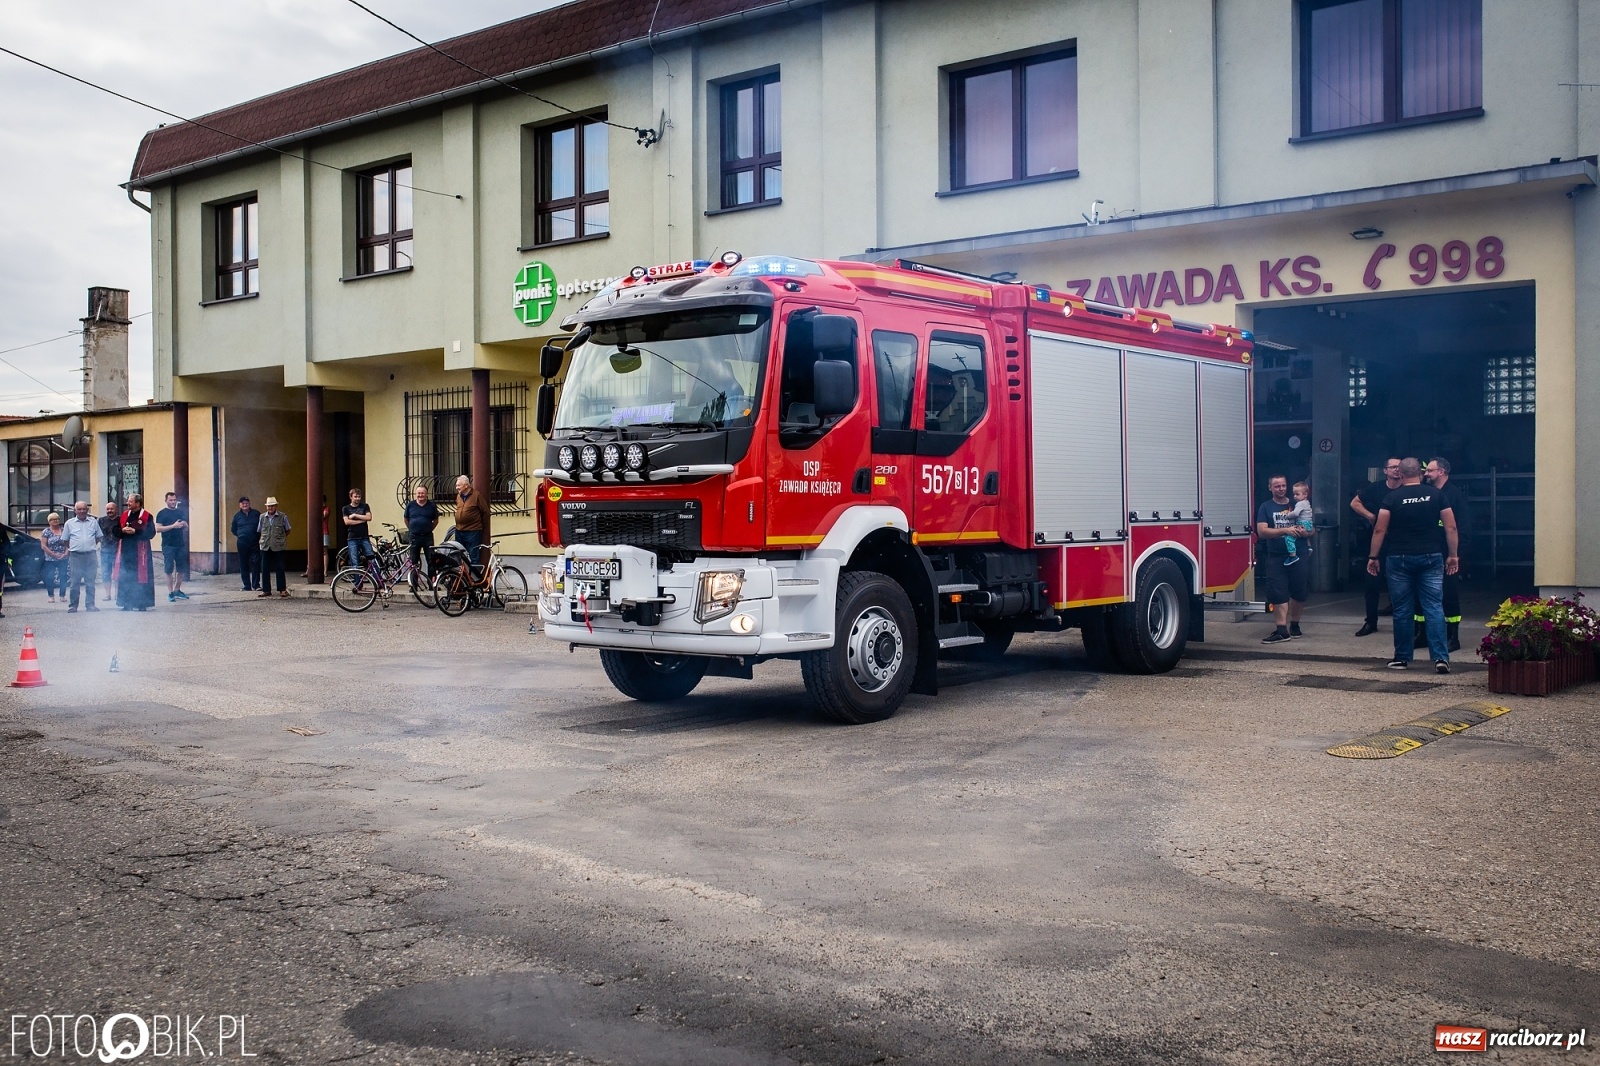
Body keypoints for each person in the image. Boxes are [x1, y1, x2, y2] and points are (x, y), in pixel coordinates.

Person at [1367, 458, 1458, 673]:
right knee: (1434, 606)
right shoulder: (1437, 495)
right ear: (1421, 472)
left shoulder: (1391, 498)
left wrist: (1373, 557)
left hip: (1399, 558)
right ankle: (1440, 658)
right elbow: (1451, 526)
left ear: (1401, 473)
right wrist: (1453, 555)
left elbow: (1379, 530)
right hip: (1431, 556)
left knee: (1402, 609)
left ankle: (1402, 658)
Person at [1257, 474, 1313, 644]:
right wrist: (1285, 531)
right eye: (1277, 486)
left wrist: (1306, 532)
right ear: (1270, 488)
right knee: (1278, 592)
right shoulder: (1265, 507)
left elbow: (1312, 530)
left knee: (1298, 591)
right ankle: (1282, 630)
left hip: (1300, 554)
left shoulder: (1297, 503)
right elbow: (1262, 532)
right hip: (1275, 556)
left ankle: (1295, 625)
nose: (1281, 489)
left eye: (1283, 485)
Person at [1350, 457, 1402, 636]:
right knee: (1372, 583)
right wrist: (1371, 517)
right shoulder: (1376, 488)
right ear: (1385, 470)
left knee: (1401, 584)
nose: (1396, 470)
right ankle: (1370, 622)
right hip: (1378, 542)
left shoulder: (1408, 489)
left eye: (1399, 467)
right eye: (1393, 467)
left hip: (1401, 542)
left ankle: (1404, 623)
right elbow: (1354, 503)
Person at [1425, 457, 1472, 652]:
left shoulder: (1454, 496)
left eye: (1430, 470)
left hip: (1448, 556)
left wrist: (1457, 555)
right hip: (1428, 553)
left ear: (1441, 472)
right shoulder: (1428, 494)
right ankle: (1422, 634)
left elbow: (1463, 528)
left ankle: (1453, 636)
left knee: (1449, 595)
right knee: (1424, 595)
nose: (1426, 474)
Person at [112, 493, 157, 611]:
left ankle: (142, 603)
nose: (128, 503)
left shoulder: (147, 516)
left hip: (141, 553)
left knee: (141, 577)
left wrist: (135, 531)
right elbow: (115, 531)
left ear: (137, 503)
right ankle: (127, 603)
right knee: (126, 576)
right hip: (126, 552)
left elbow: (151, 533)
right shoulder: (124, 515)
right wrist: (123, 530)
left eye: (130, 501)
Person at [64, 501, 103, 613]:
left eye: (84, 509)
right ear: (75, 510)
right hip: (76, 556)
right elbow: (65, 540)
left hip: (90, 556)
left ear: (87, 510)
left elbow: (98, 537)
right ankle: (73, 606)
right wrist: (76, 548)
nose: (82, 511)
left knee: (90, 582)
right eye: (79, 509)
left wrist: (88, 546)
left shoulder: (93, 522)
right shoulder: (69, 523)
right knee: (74, 582)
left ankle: (90, 605)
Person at [155, 491, 190, 602]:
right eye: (170, 500)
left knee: (181, 568)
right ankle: (170, 592)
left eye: (174, 500)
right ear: (166, 501)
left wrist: (184, 525)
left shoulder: (180, 512)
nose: (173, 502)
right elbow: (158, 529)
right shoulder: (162, 513)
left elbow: (186, 527)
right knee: (168, 568)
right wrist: (173, 526)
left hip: (180, 544)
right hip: (168, 544)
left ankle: (177, 589)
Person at [404, 484, 439, 586]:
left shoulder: (432, 506)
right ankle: (414, 585)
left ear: (426, 494)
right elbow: (406, 519)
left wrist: (429, 529)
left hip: (427, 537)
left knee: (431, 560)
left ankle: (431, 585)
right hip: (414, 536)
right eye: (418, 493)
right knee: (413, 561)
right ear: (416, 494)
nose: (420, 495)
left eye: (422, 493)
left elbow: (436, 520)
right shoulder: (410, 505)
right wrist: (412, 529)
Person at [257, 497, 291, 598]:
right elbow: (259, 530)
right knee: (264, 568)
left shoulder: (283, 516)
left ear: (276, 506)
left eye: (272, 506)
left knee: (280, 568)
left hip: (278, 546)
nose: (270, 508)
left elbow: (288, 530)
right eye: (268, 506)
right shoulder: (262, 517)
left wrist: (279, 539)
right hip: (265, 546)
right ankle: (266, 590)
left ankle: (282, 589)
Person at [454, 475, 488, 564]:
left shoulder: (476, 496)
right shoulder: (459, 496)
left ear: (466, 485)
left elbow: (485, 512)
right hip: (459, 530)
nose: (457, 487)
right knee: (459, 555)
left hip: (473, 531)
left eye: (458, 485)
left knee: (474, 556)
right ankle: (463, 577)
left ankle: (474, 577)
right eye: (456, 485)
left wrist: (479, 525)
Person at [231, 496, 263, 591]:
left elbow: (262, 526)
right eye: (243, 503)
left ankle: (256, 585)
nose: (245, 505)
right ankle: (247, 586)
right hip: (242, 543)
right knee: (243, 564)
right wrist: (242, 536)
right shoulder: (237, 516)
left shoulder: (256, 514)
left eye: (246, 503)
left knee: (256, 563)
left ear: (249, 503)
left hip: (254, 542)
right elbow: (233, 530)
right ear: (240, 505)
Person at [39, 513, 69, 604]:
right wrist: (53, 554)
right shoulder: (46, 532)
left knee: (63, 576)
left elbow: (68, 543)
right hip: (50, 558)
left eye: (56, 519)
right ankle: (51, 596)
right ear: (49, 521)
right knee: (49, 577)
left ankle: (62, 595)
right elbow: (43, 546)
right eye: (52, 519)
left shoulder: (64, 530)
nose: (55, 521)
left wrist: (65, 553)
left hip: (63, 557)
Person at [341, 488, 374, 569]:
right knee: (354, 561)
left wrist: (355, 515)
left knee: (371, 559)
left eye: (359, 497)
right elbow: (347, 522)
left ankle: (378, 579)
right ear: (351, 497)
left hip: (364, 537)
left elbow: (369, 517)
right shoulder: (346, 508)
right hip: (352, 537)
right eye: (355, 497)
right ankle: (357, 581)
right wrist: (362, 521)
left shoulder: (365, 506)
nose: (357, 499)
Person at [1283, 481, 1314, 565]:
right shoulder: (1307, 503)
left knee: (1288, 538)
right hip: (1308, 524)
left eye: (1297, 494)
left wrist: (1288, 515)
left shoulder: (1300, 504)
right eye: (1294, 494)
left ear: (1305, 494)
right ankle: (1309, 547)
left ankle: (1292, 555)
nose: (1295, 496)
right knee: (1305, 535)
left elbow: (1296, 513)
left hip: (1302, 524)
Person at [98, 502, 120, 601]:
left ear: (116, 509)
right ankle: (108, 594)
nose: (110, 511)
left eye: (112, 509)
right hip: (105, 550)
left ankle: (117, 594)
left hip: (118, 550)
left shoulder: (121, 520)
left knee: (118, 573)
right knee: (106, 573)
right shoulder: (101, 520)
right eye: (108, 509)